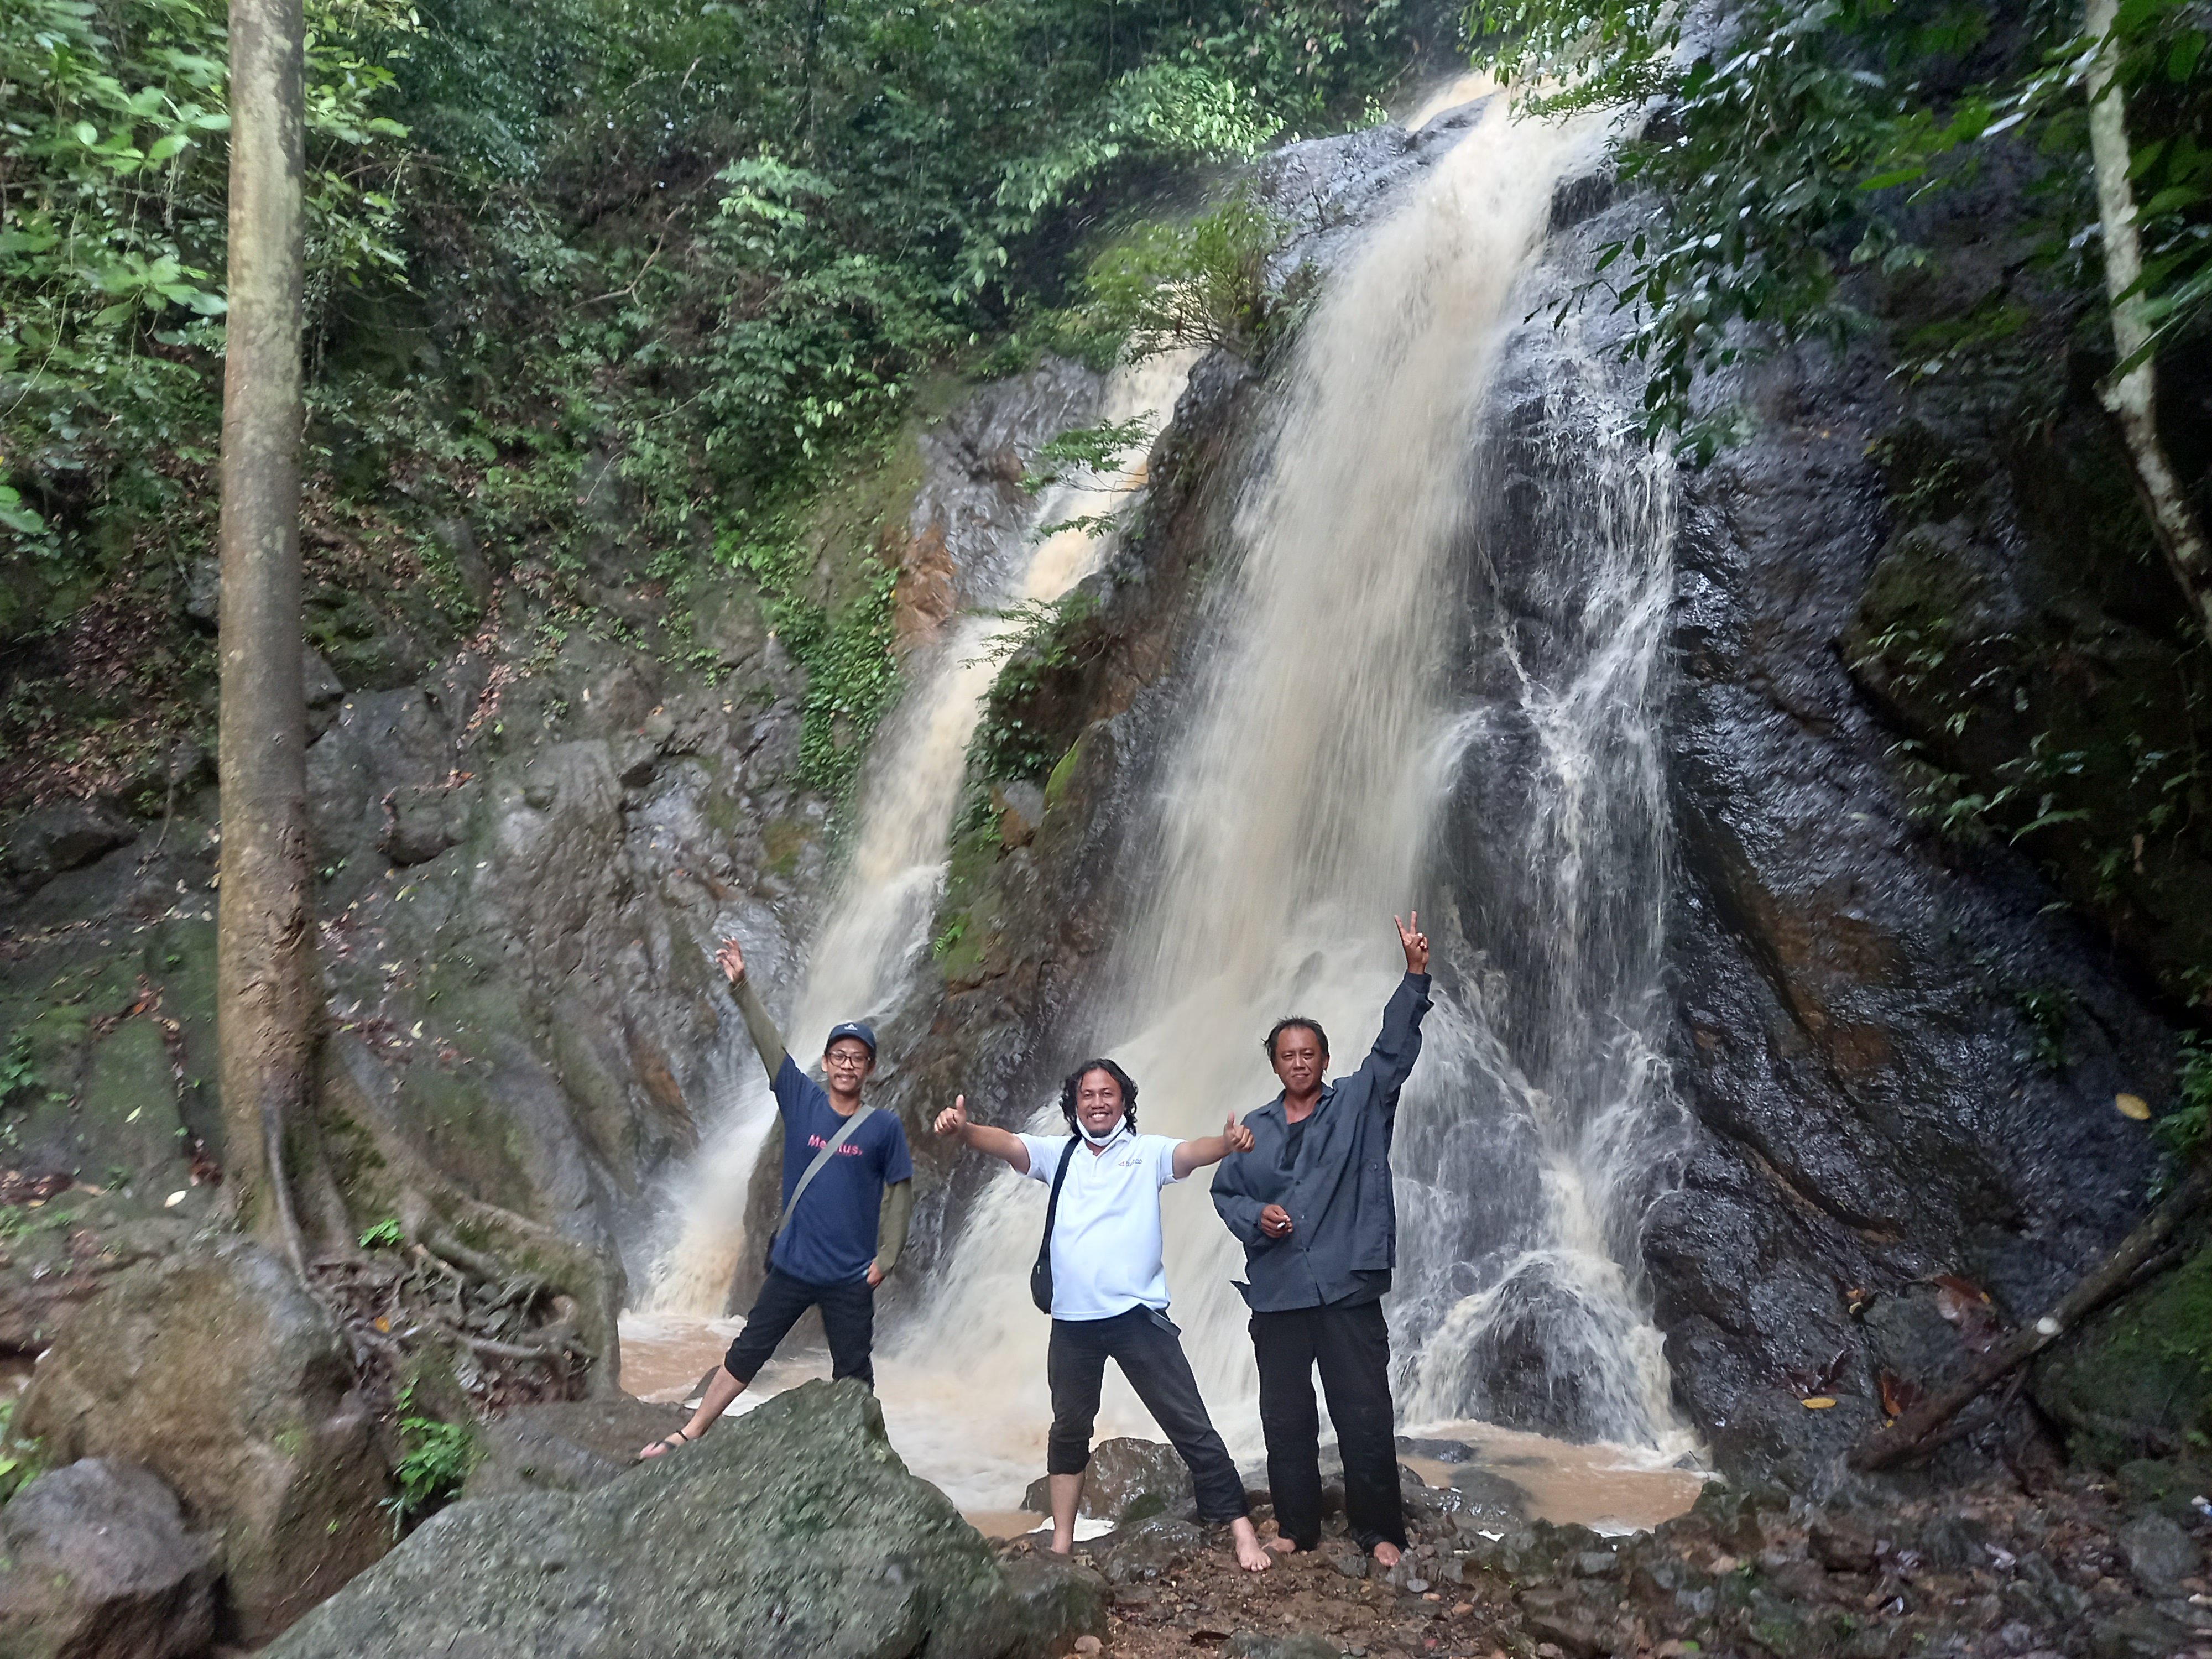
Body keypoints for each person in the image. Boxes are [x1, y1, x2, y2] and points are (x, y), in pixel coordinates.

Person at [933, 1062, 1275, 1572]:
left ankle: (1241, 1530)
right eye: (1088, 1094)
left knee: (1189, 1422)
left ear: (1123, 1100)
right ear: (1074, 1103)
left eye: (1107, 1093)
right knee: (1069, 1430)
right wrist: (965, 1131)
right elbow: (1008, 1144)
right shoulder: (1060, 1154)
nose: (1097, 1102)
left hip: (1138, 1316)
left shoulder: (1146, 1153)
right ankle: (1063, 1541)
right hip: (1073, 1323)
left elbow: (1189, 1154)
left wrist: (1226, 1144)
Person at [1209, 913, 1432, 1567]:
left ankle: (1380, 1531)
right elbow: (1227, 1194)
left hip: (1346, 1285)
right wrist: (1259, 1218)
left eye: (1309, 1053)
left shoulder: (1360, 1105)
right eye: (1287, 1054)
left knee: (1363, 1415)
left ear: (1325, 1061)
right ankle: (1296, 1528)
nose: (1299, 1062)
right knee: (1285, 1420)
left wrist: (1414, 974)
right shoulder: (1251, 1130)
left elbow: (1393, 1051)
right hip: (1278, 1293)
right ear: (1275, 1064)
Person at [639, 936, 914, 1458]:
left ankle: (862, 1460)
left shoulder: (884, 1128)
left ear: (870, 1069)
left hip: (850, 1275)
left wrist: (888, 1258)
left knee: (855, 1374)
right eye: (839, 1056)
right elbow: (769, 1043)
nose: (848, 1066)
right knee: (748, 1352)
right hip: (793, 1267)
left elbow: (900, 1189)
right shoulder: (801, 1097)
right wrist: (742, 987)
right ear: (827, 1062)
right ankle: (691, 1430)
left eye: (858, 1059)